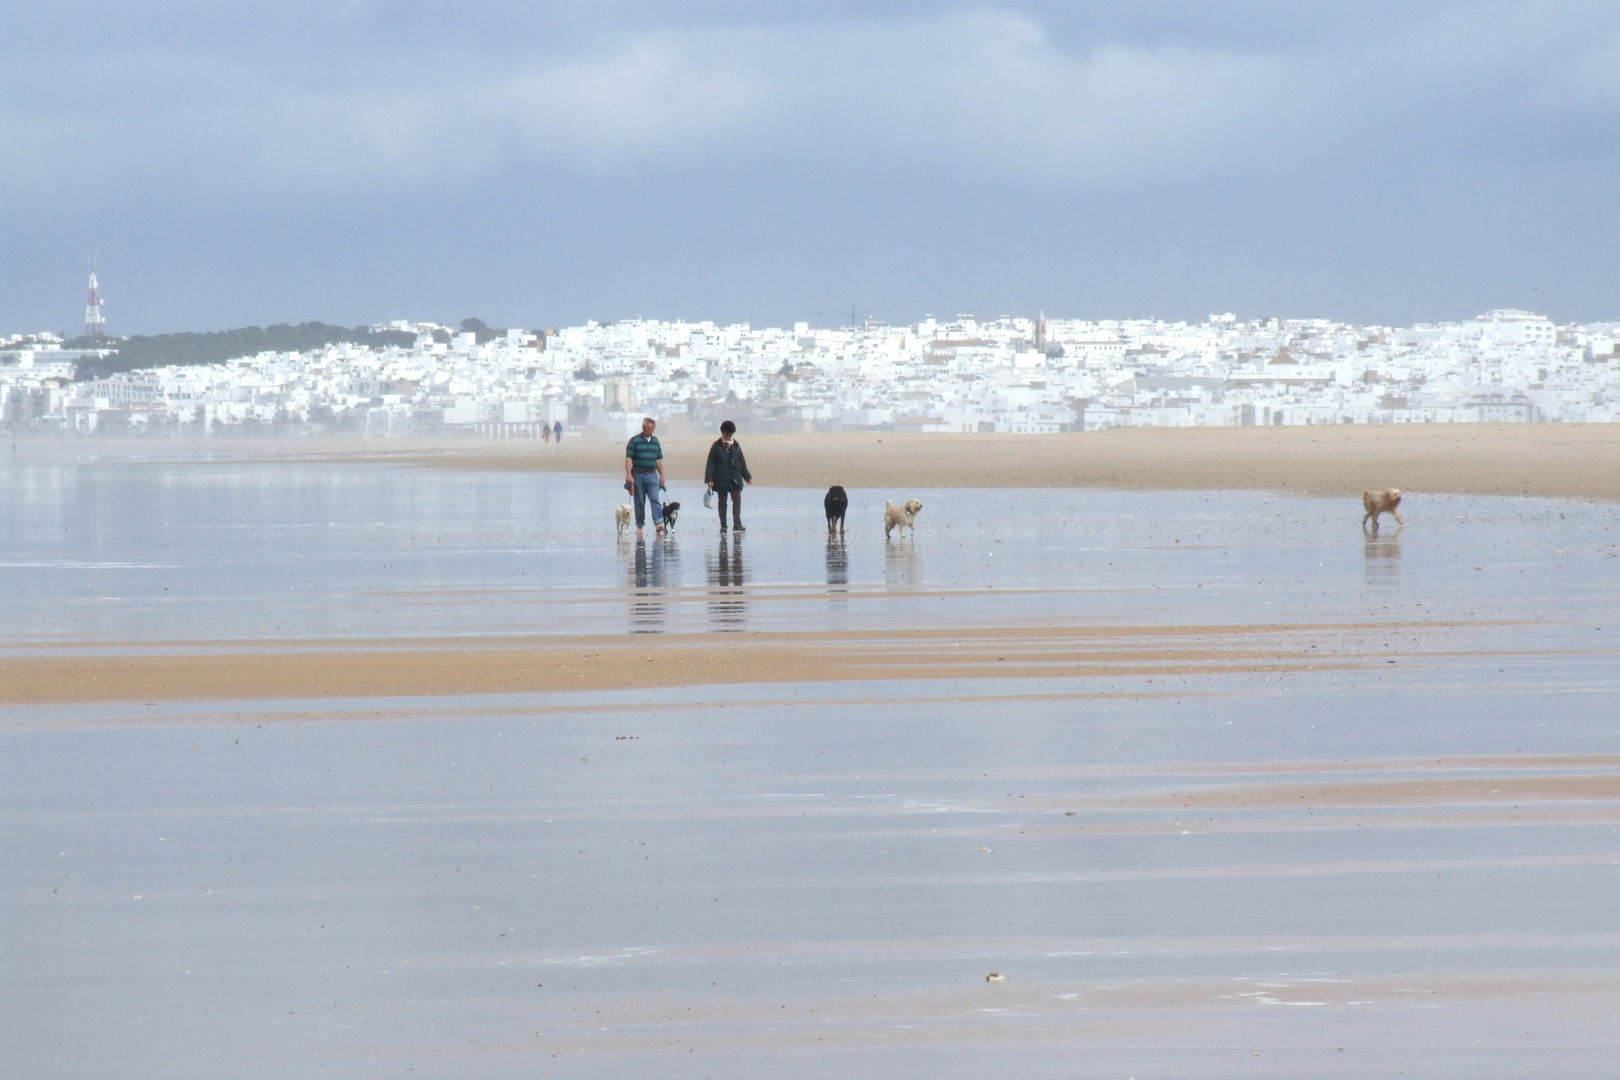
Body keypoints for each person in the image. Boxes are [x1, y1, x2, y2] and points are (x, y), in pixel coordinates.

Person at [704, 419, 751, 532]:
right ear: (722, 433)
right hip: (721, 479)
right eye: (727, 434)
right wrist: (709, 479)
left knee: (737, 500)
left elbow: (741, 461)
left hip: (735, 479)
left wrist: (747, 476)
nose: (728, 437)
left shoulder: (736, 446)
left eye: (730, 435)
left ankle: (737, 524)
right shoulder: (716, 446)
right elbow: (710, 463)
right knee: (722, 502)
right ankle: (723, 525)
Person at [624, 416, 666, 536]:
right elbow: (628, 459)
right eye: (648, 429)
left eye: (652, 429)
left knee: (654, 499)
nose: (650, 431)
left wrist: (662, 475)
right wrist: (628, 475)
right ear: (643, 428)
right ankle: (639, 526)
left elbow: (658, 459)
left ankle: (658, 524)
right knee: (639, 502)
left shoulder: (655, 441)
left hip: (652, 475)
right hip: (638, 475)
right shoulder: (634, 441)